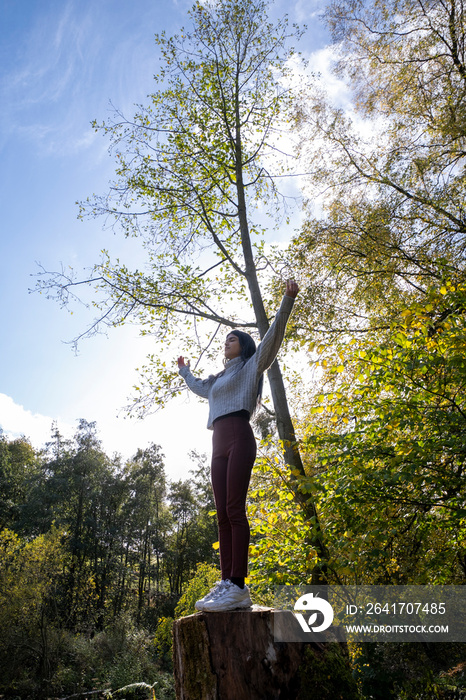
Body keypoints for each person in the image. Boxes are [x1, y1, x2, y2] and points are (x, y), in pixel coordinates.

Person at [177, 279, 299, 612]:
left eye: (232, 338)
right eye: (226, 339)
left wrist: (286, 302)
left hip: (239, 437)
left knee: (234, 509)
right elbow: (199, 387)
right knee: (221, 515)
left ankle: (239, 586)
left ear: (243, 346)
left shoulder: (250, 367)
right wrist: (184, 370)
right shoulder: (217, 379)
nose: (226, 342)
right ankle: (226, 580)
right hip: (218, 443)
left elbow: (272, 340)